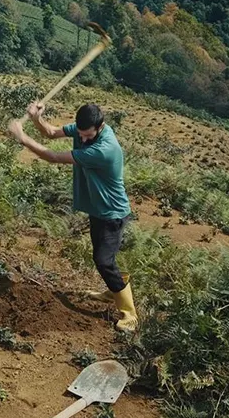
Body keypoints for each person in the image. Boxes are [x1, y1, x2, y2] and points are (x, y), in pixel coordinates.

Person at [8, 102, 138, 332]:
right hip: (98, 210)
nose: (83, 139)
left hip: (112, 213)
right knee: (103, 259)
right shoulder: (83, 129)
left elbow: (53, 157)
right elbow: (50, 133)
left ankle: (130, 315)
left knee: (103, 261)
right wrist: (37, 119)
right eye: (80, 135)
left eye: (88, 136)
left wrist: (22, 137)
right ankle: (113, 289)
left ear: (101, 127)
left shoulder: (104, 150)